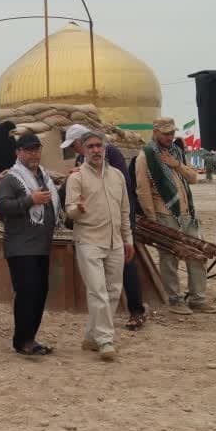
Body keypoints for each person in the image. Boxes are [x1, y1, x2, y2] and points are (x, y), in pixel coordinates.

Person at [63, 124, 146, 329]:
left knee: (123, 270)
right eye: (89, 146)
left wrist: (126, 235)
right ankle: (102, 336)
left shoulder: (112, 158)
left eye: (97, 146)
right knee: (98, 290)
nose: (94, 150)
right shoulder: (80, 165)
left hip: (116, 221)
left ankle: (135, 311)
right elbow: (73, 203)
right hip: (91, 233)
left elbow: (123, 190)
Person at [136, 118, 216, 315]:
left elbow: (193, 178)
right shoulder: (146, 156)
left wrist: (177, 165)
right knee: (169, 258)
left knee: (198, 254)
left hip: (187, 213)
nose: (170, 137)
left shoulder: (176, 152)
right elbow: (143, 190)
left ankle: (198, 299)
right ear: (155, 132)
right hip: (164, 214)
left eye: (172, 133)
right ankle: (175, 300)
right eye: (165, 133)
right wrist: (152, 219)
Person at [0, 134, 60, 358]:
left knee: (40, 293)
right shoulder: (11, 178)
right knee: (27, 293)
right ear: (18, 152)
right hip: (21, 247)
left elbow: (51, 203)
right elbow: (1, 206)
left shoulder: (43, 176)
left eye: (37, 150)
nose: (34, 154)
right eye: (29, 150)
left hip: (42, 246)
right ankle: (22, 341)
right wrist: (30, 200)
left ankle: (30, 338)